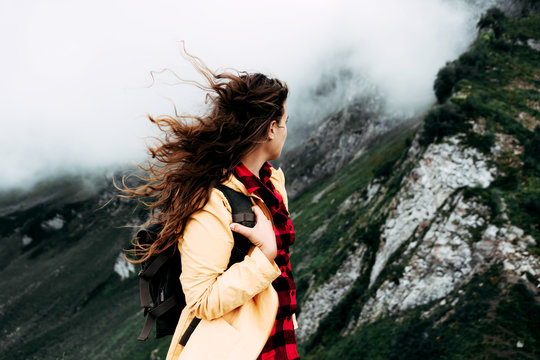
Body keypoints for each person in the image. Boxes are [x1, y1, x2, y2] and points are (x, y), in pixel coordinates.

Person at [119, 45, 299, 360]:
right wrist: (264, 257)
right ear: (271, 129)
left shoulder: (271, 185)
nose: (286, 129)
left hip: (274, 339)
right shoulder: (213, 200)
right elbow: (202, 299)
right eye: (284, 121)